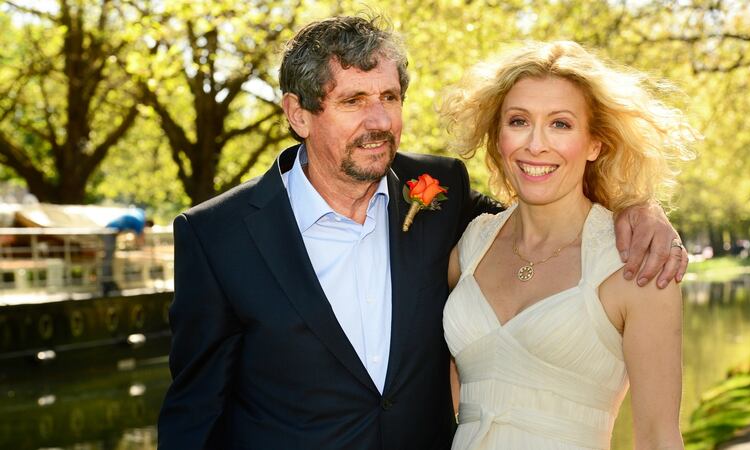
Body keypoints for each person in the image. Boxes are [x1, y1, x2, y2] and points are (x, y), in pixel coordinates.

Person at [157, 16, 687, 450]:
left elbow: (550, 205)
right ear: (298, 113)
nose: (379, 120)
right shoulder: (216, 237)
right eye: (352, 100)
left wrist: (639, 208)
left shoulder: (441, 196)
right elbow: (193, 415)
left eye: (389, 97)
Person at [441, 41, 697, 449]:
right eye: (519, 121)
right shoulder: (471, 246)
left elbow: (657, 436)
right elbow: (445, 402)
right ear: (498, 135)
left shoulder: (635, 263)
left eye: (560, 124)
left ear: (595, 143)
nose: (536, 144)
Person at [101, 207, 149, 295]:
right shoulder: (140, 222)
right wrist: (143, 249)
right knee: (108, 259)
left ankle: (108, 282)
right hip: (109, 232)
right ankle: (105, 283)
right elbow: (140, 239)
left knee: (110, 258)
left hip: (112, 231)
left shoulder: (139, 214)